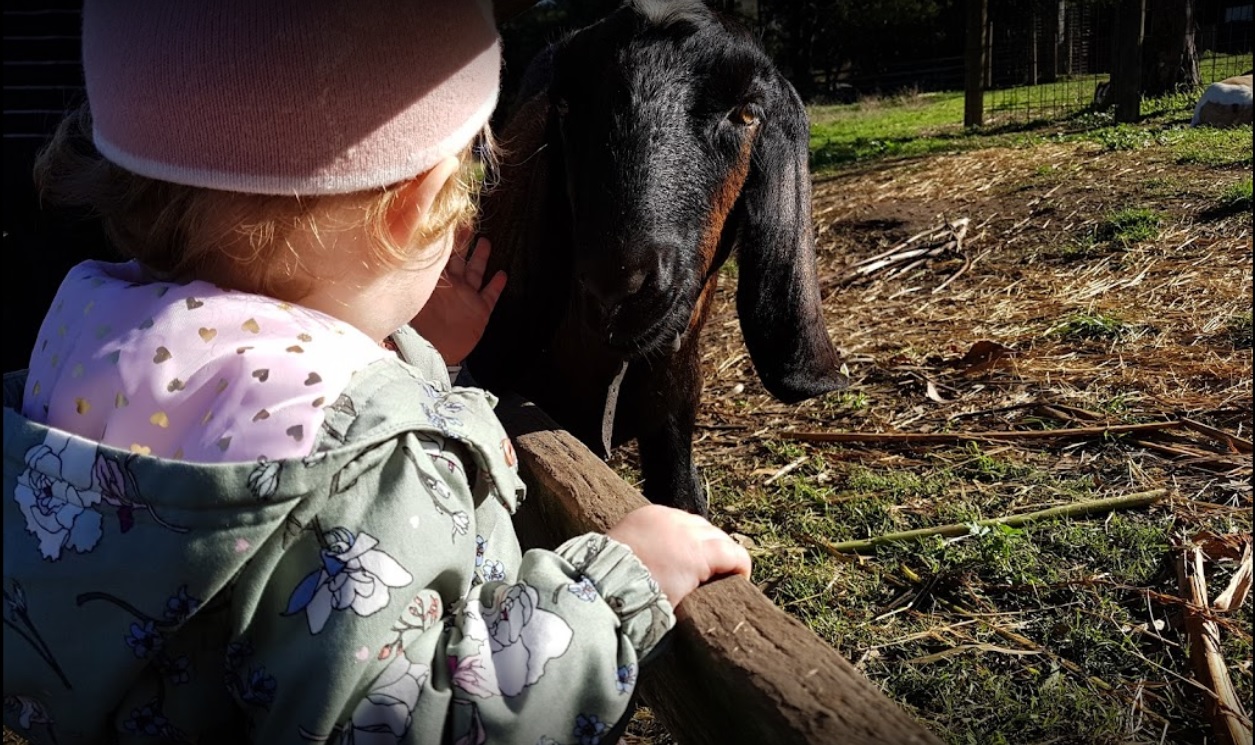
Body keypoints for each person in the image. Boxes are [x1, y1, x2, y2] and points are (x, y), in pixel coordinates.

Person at [1, 2, 752, 743]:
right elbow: (433, 721)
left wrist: (422, 355)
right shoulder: (361, 468)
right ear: (418, 204)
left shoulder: (78, 344)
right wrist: (613, 593)